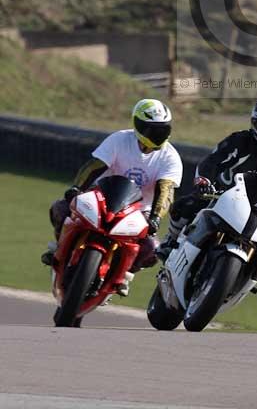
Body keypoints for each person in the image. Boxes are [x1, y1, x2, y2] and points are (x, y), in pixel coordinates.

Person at [41, 98, 183, 297]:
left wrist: (156, 217)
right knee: (62, 208)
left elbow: (166, 191)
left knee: (152, 249)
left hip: (138, 211)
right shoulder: (119, 139)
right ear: (138, 125)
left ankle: (125, 274)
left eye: (162, 129)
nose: (157, 135)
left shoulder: (171, 157)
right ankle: (58, 247)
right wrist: (76, 188)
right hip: (102, 198)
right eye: (152, 129)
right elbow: (95, 166)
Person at [160, 99, 257, 255]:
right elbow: (211, 161)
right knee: (184, 206)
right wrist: (204, 181)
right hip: (225, 199)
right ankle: (171, 240)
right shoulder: (239, 141)